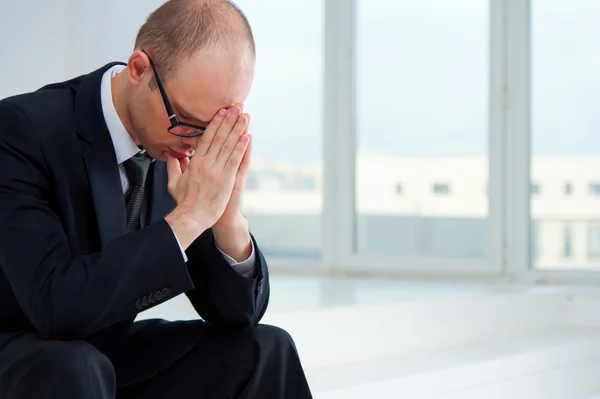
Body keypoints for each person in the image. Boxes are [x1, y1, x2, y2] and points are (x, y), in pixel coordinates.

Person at [0, 0, 313, 397]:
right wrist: (189, 217)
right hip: (22, 347)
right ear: (139, 69)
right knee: (75, 366)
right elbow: (53, 306)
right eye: (189, 123)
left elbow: (237, 314)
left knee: (267, 348)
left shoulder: (178, 138)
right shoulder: (21, 131)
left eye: (217, 126)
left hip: (104, 350)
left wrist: (226, 217)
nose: (200, 145)